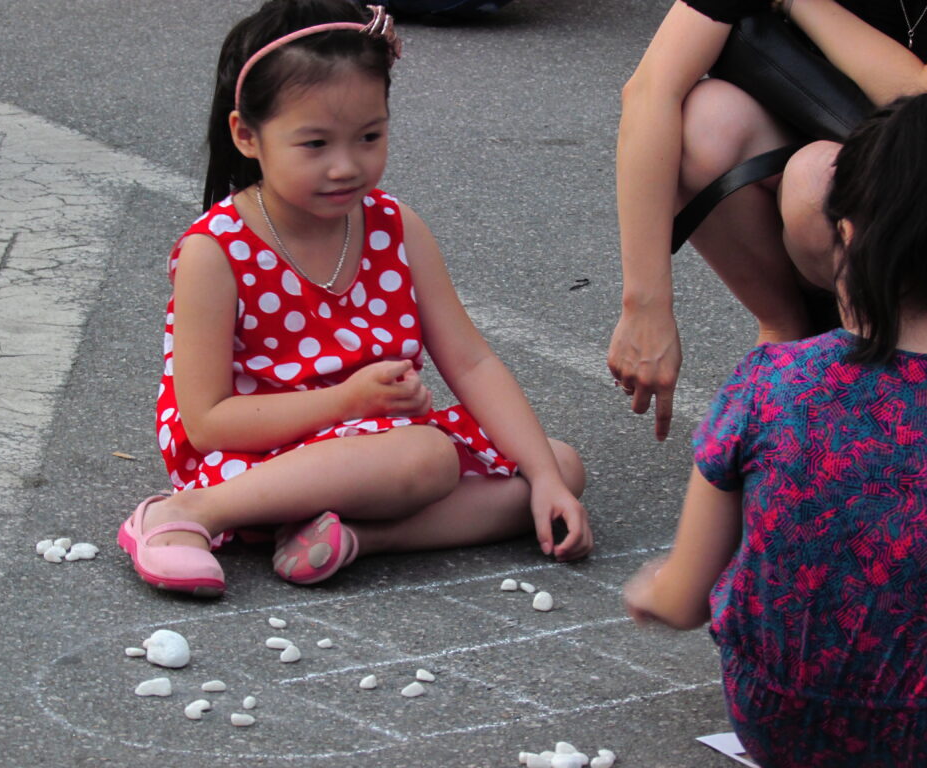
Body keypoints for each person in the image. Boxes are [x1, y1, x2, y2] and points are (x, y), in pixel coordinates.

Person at [117, 0, 592, 598]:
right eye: (314, 144)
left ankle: (348, 537)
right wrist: (346, 401)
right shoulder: (216, 250)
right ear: (247, 134)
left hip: (372, 445)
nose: (346, 166)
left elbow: (471, 362)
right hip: (254, 456)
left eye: (369, 136)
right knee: (427, 458)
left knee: (559, 465)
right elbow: (207, 422)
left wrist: (544, 478)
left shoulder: (396, 226)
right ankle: (188, 514)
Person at [623, 94, 927, 767]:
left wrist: (651, 590)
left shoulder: (773, 381)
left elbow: (683, 599)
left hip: (784, 721)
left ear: (844, 238)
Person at [608, 0, 927, 441]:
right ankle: (788, 335)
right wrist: (645, 308)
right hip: (855, 171)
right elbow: (650, 90)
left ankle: (893, 385)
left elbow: (921, 101)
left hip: (916, 188)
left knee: (817, 182)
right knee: (705, 121)